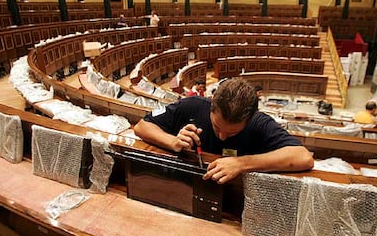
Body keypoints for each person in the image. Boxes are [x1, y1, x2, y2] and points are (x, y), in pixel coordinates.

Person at [134, 78, 314, 184]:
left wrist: (241, 163)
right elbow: (142, 127)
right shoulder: (192, 105)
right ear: (212, 105)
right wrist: (172, 141)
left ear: (250, 118)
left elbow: (303, 157)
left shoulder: (259, 122)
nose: (222, 137)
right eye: (217, 127)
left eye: (232, 133)